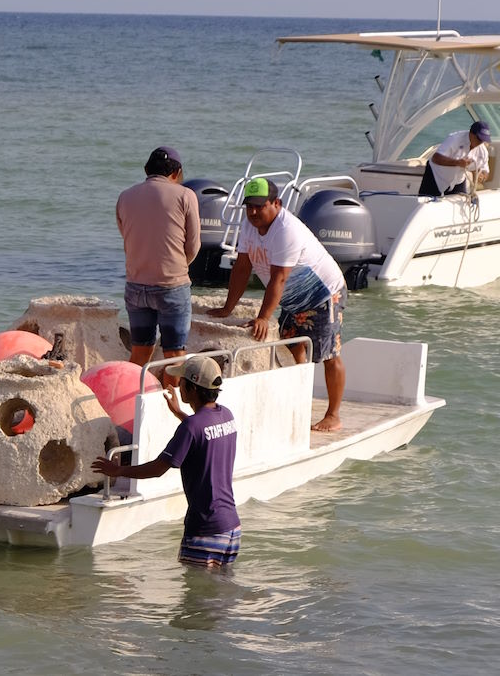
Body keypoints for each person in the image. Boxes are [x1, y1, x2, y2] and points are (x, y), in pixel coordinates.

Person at [207, 177, 348, 432]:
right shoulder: (249, 224)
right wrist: (228, 307)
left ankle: (333, 414)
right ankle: (301, 399)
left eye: (259, 206)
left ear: (277, 203)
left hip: (324, 293)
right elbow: (242, 267)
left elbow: (279, 277)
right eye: (248, 206)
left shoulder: (286, 230)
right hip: (292, 298)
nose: (252, 212)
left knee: (328, 354)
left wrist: (263, 317)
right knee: (292, 346)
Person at [92, 356, 240, 568]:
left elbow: (158, 468)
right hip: (231, 528)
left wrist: (118, 470)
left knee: (196, 598)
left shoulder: (192, 427)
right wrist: (179, 413)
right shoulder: (226, 415)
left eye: (182, 382)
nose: (178, 386)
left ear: (192, 388)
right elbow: (202, 432)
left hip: (205, 530)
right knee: (221, 593)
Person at [116, 145, 202, 372]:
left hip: (136, 287)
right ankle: (170, 404)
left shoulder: (125, 197)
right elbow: (193, 245)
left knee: (140, 353)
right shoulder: (186, 195)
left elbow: (127, 237)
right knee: (174, 356)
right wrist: (179, 267)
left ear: (147, 170)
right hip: (171, 287)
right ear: (177, 172)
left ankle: (132, 398)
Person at [418, 120, 492, 197]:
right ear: (471, 134)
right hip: (436, 175)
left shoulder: (483, 152)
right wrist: (457, 163)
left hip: (458, 180)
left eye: (483, 140)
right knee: (425, 203)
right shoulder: (454, 139)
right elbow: (436, 158)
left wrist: (481, 176)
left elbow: (485, 172)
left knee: (460, 204)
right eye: (479, 139)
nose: (480, 142)